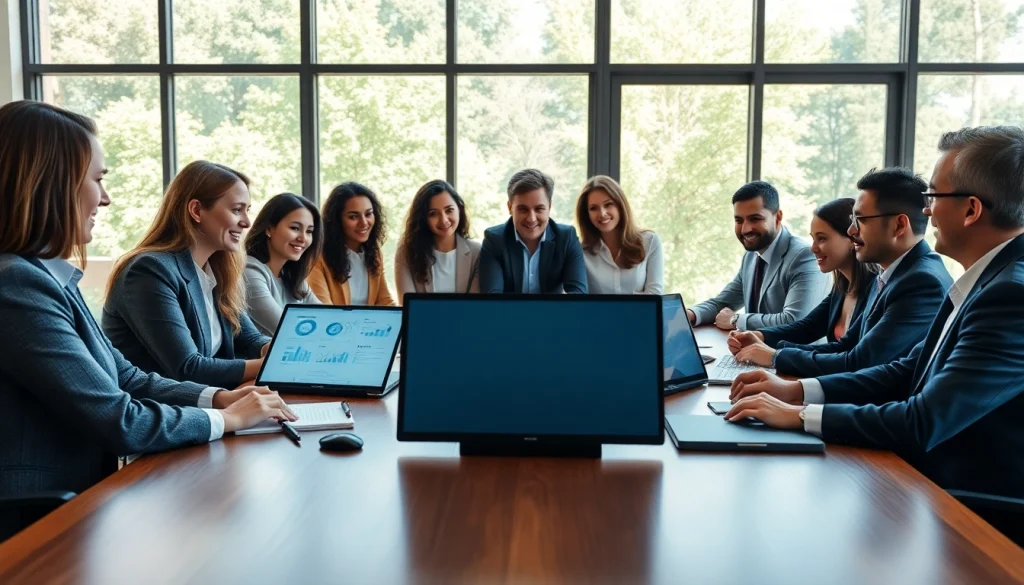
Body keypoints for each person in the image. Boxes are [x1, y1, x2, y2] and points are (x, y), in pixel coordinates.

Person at [0, 101, 295, 498]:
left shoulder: (49, 277)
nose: (105, 199)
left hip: (85, 494)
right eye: (97, 180)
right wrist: (224, 418)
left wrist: (221, 397)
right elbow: (118, 418)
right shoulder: (17, 285)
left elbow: (128, 376)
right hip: (41, 517)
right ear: (52, 183)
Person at [727, 126, 1024, 498]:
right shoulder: (986, 281)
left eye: (932, 195)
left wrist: (800, 414)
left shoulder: (1009, 295)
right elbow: (904, 371)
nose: (926, 209)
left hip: (963, 501)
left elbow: (923, 420)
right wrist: (797, 391)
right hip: (924, 478)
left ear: (970, 209)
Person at [730, 168, 953, 377]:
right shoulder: (891, 275)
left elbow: (860, 362)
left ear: (899, 226)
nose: (852, 231)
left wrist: (775, 358)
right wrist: (764, 339)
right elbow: (844, 345)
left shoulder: (921, 282)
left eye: (861, 220)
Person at [103, 161, 271, 389]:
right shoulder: (148, 271)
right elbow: (187, 368)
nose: (247, 222)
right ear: (196, 210)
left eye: (247, 210)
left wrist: (275, 351)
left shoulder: (216, 271)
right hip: (162, 413)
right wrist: (272, 365)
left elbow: (249, 338)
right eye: (236, 210)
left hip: (211, 404)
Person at [727, 198, 874, 363]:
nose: (813, 248)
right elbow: (807, 328)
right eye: (813, 238)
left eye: (822, 239)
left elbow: (844, 352)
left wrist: (774, 355)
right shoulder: (842, 288)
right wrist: (759, 336)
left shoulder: (875, 290)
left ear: (851, 238)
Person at [687, 181, 829, 331]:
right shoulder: (751, 257)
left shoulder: (804, 255)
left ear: (778, 217)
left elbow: (794, 320)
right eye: (739, 220)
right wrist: (690, 315)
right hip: (753, 351)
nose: (745, 229)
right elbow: (722, 303)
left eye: (755, 219)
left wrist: (736, 320)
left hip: (793, 353)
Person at [478, 168, 588, 294]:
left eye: (539, 209)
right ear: (510, 207)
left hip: (554, 313)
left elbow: (578, 295)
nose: (531, 219)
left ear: (549, 207)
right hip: (508, 314)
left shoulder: (566, 238)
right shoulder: (494, 240)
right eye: (523, 209)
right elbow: (492, 299)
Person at [243, 192, 323, 335]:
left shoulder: (292, 276)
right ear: (269, 229)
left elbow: (327, 318)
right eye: (295, 228)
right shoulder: (249, 271)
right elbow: (287, 329)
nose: (303, 238)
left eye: (309, 231)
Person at [307, 182, 396, 306]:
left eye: (368, 214)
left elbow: (385, 302)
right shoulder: (317, 257)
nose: (364, 222)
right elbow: (323, 311)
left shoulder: (373, 253)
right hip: (335, 324)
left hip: (370, 324)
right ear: (336, 220)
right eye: (353, 217)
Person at [575, 175, 663, 294]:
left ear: (620, 205)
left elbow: (654, 297)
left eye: (608, 204)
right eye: (593, 208)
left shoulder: (650, 241)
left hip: (642, 313)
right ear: (586, 214)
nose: (602, 213)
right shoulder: (580, 252)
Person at [395, 180, 481, 302]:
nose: (443, 220)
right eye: (433, 214)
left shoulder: (477, 252)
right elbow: (409, 307)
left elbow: (474, 306)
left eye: (449, 210)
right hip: (421, 321)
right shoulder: (406, 252)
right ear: (423, 219)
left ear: (459, 209)